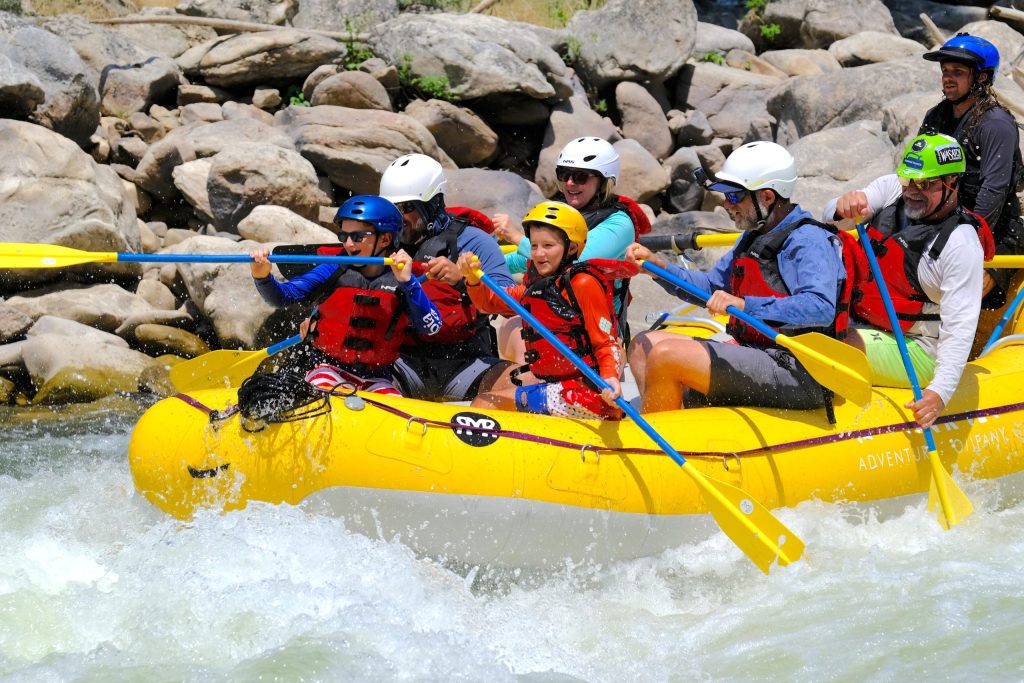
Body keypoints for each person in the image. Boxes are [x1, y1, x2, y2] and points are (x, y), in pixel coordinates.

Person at [626, 141, 849, 416]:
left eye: (734, 196)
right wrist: (658, 268)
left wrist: (745, 305)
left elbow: (820, 307)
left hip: (799, 369)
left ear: (767, 197)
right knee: (642, 347)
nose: (727, 205)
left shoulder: (807, 240)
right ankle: (672, 419)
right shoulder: (755, 235)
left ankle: (655, 448)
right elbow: (710, 288)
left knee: (666, 354)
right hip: (752, 350)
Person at [824, 133, 991, 428]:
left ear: (952, 183)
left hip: (919, 348)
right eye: (909, 180)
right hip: (866, 323)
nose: (913, 190)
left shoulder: (960, 246)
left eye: (924, 184)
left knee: (833, 343)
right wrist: (843, 204)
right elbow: (831, 218)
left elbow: (960, 328)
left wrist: (939, 393)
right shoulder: (891, 189)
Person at [250, 195, 441, 394]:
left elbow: (432, 327)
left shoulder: (404, 279)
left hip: (378, 378)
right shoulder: (332, 269)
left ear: (385, 239)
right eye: (344, 236)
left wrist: (408, 282)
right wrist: (262, 276)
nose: (348, 244)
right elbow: (282, 297)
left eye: (358, 237)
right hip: (328, 369)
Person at [456, 201, 624, 420]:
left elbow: (607, 342)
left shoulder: (583, 283)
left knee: (485, 404)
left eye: (548, 245)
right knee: (489, 397)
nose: (538, 253)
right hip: (557, 385)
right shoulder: (538, 287)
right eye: (534, 246)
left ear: (572, 248)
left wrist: (610, 378)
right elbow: (489, 303)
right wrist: (472, 278)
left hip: (587, 393)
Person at [493, 137, 651, 360]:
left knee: (520, 332)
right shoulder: (564, 216)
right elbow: (527, 260)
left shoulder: (620, 223)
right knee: (511, 323)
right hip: (556, 320)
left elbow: (574, 261)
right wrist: (486, 263)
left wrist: (518, 237)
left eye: (580, 176)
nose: (569, 183)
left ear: (604, 181)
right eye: (564, 174)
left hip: (597, 335)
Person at [378, 153, 517, 401]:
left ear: (433, 204)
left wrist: (464, 281)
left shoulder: (474, 240)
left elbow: (510, 305)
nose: (398, 218)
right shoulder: (380, 244)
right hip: (401, 362)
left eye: (407, 208)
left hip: (467, 363)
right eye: (392, 210)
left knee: (525, 381)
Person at [919, 32, 1023, 307]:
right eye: (944, 71)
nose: (947, 78)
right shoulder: (936, 116)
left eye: (958, 71)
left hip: (995, 232)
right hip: (941, 223)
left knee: (953, 294)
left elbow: (994, 190)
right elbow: (916, 173)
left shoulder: (996, 125)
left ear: (982, 78)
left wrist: (964, 242)